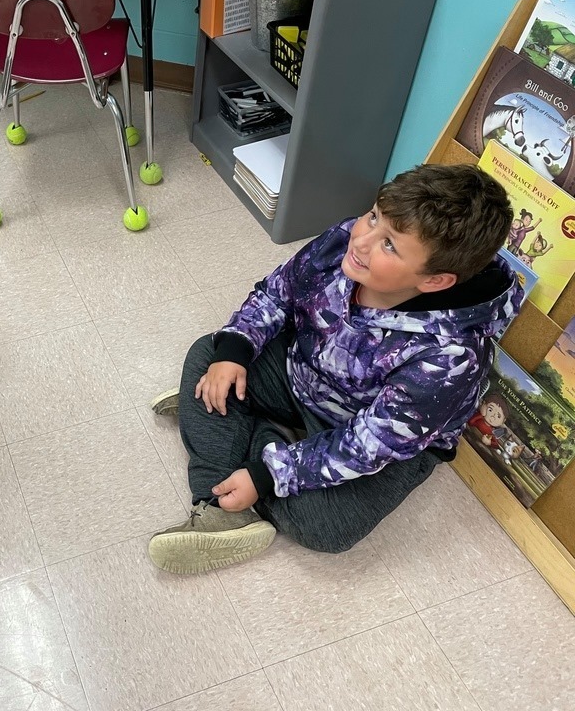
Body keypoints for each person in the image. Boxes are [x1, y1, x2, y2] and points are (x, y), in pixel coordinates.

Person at [147, 163, 523, 574]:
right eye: (374, 216)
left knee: (328, 528)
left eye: (390, 246)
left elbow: (369, 444)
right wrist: (233, 353)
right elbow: (277, 294)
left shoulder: (452, 356)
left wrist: (266, 474)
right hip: (301, 373)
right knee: (210, 352)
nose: (361, 240)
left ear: (434, 281)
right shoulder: (346, 241)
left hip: (376, 440)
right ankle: (219, 505)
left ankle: (244, 434)